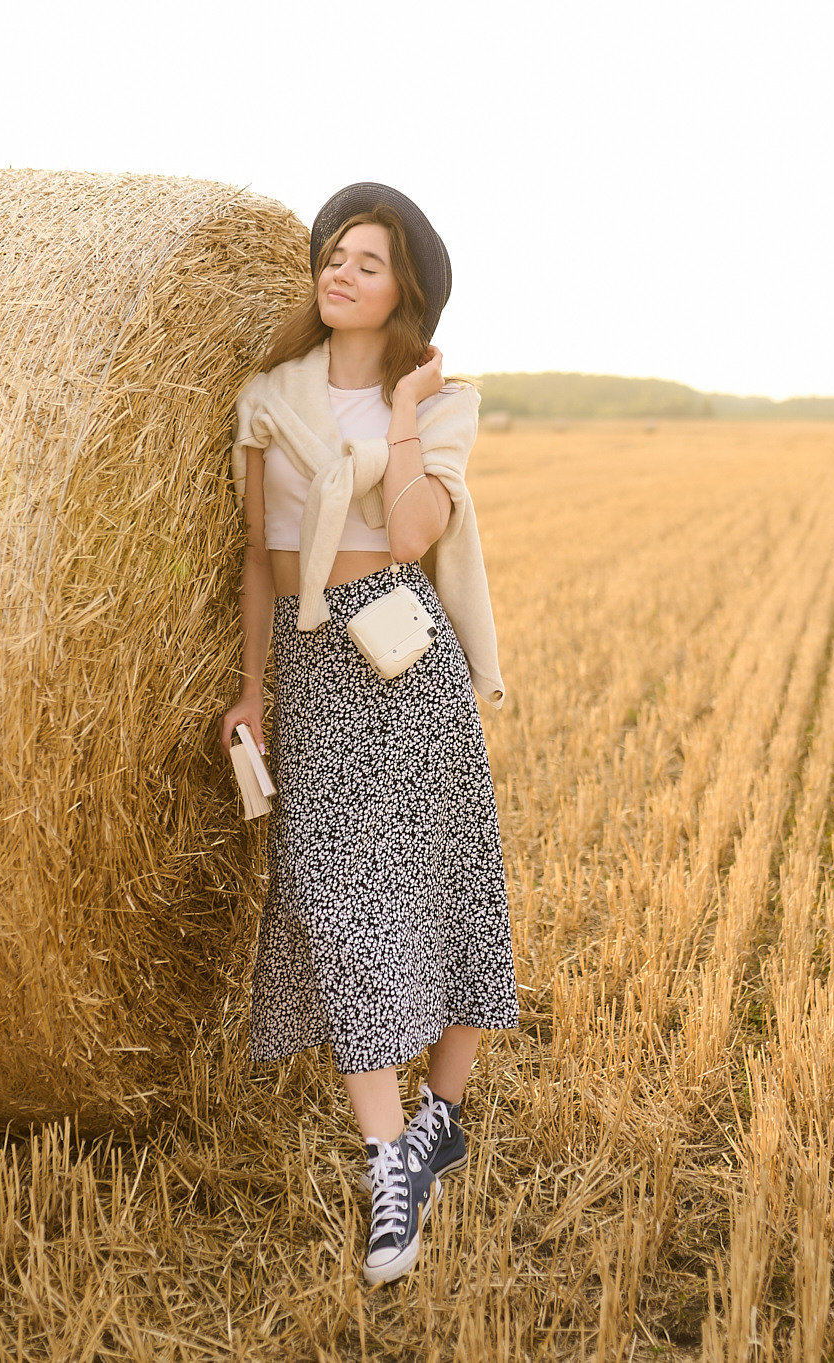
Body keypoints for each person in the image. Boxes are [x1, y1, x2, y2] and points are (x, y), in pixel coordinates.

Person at [220, 183, 517, 1286]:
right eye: (332, 254)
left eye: (366, 261)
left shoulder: (442, 406)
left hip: (401, 653)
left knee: (451, 883)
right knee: (335, 900)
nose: (337, 272)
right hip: (311, 665)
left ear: (406, 293)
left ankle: (439, 1118)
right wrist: (251, 688)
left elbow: (407, 532)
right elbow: (257, 557)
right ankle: (389, 1160)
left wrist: (403, 406)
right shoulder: (267, 398)